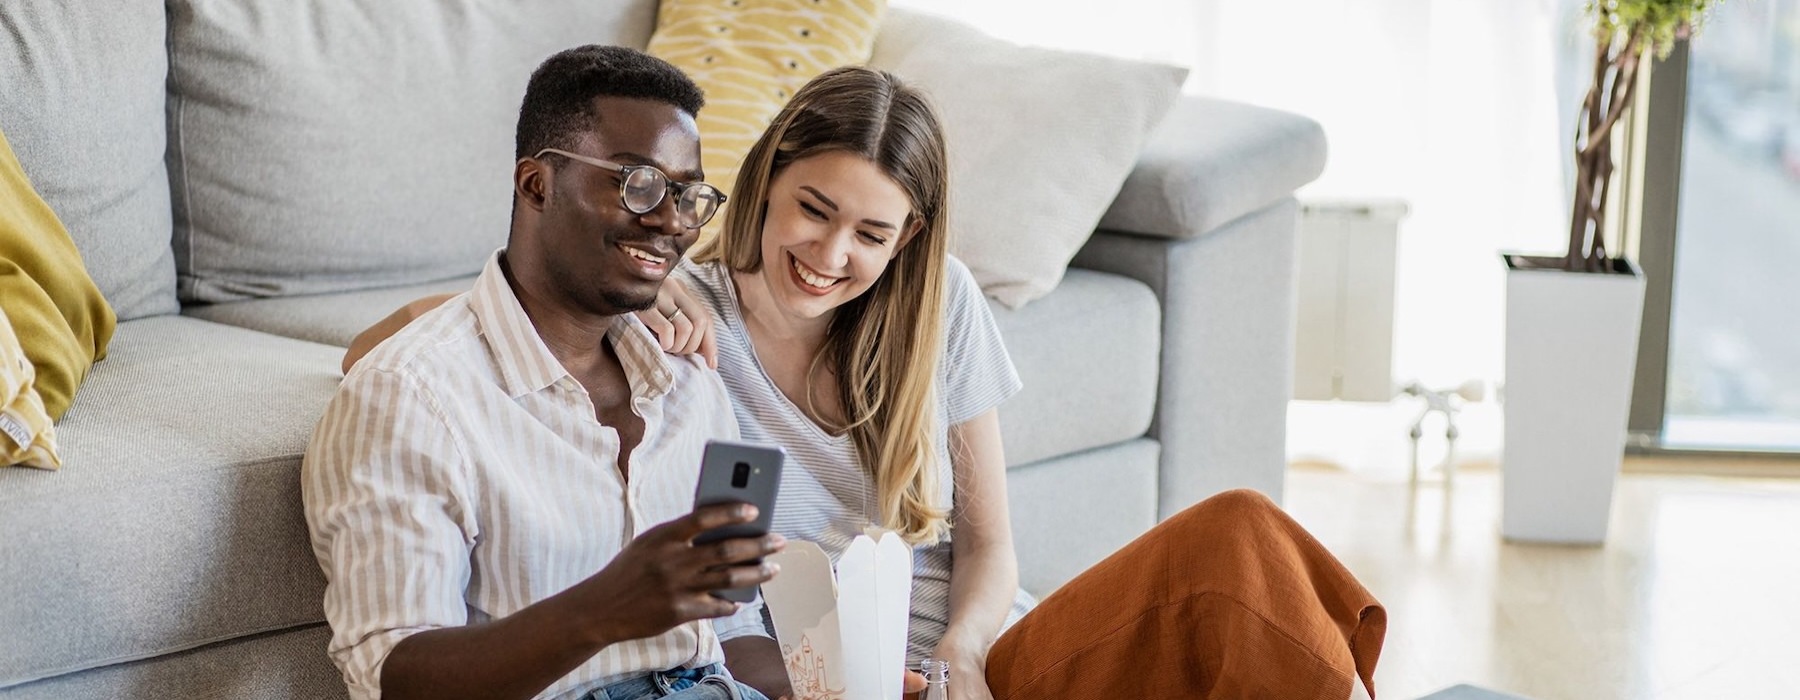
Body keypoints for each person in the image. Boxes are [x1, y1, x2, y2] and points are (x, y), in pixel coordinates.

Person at [348, 66, 1387, 700]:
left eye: (872, 233)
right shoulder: (679, 312)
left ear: (910, 240)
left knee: (1240, 543)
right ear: (766, 179)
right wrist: (650, 303)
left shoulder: (944, 309)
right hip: (829, 676)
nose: (831, 253)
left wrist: (969, 658)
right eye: (813, 209)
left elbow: (989, 547)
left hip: (987, 662)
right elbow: (396, 345)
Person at [304, 46, 791, 700]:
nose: (673, 222)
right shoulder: (409, 395)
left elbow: (735, 627)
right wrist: (602, 610)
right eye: (637, 184)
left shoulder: (692, 380)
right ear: (537, 185)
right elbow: (395, 675)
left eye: (687, 195)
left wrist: (818, 686)